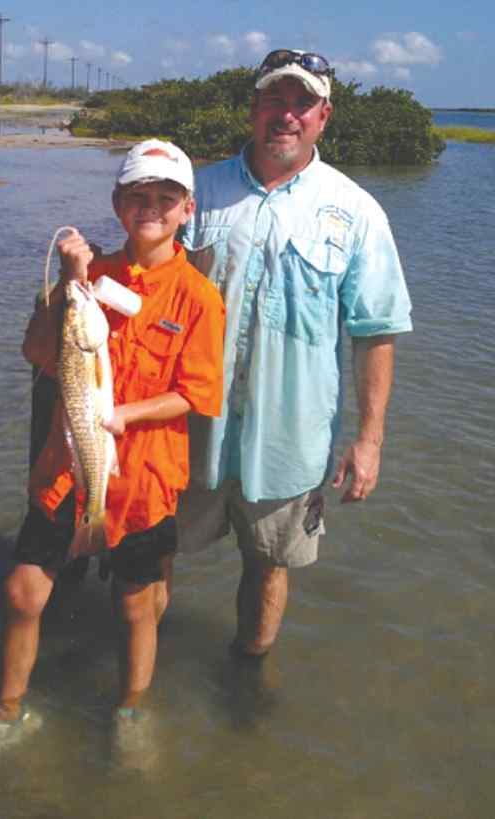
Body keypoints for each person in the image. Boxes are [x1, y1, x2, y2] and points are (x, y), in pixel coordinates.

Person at [0, 139, 225, 782]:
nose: (151, 207)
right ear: (118, 205)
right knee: (21, 591)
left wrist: (127, 415)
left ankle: (130, 711)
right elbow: (38, 353)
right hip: (66, 468)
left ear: (186, 211)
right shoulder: (89, 277)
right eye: (138, 196)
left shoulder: (198, 297)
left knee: (136, 606)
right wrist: (70, 284)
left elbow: (197, 394)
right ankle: (7, 715)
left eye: (165, 198)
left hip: (144, 478)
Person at [177, 48, 412, 660]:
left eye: (302, 102)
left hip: (290, 444)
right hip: (184, 428)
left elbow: (376, 331)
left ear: (324, 115)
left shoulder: (357, 211)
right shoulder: (195, 194)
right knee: (152, 556)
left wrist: (370, 440)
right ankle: (138, 684)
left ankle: (245, 681)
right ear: (253, 107)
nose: (287, 114)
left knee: (269, 566)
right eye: (275, 99)